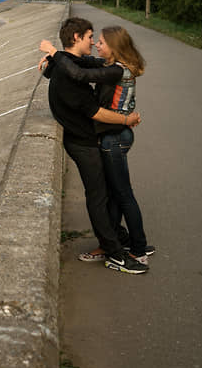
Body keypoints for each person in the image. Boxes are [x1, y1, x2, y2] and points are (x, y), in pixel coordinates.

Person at [38, 17, 148, 274]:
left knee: (109, 193)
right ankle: (115, 254)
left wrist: (53, 58)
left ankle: (118, 240)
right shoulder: (68, 73)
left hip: (89, 139)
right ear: (76, 37)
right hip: (83, 142)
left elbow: (82, 65)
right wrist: (126, 119)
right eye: (90, 37)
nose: (94, 42)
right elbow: (95, 111)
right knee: (100, 197)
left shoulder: (70, 63)